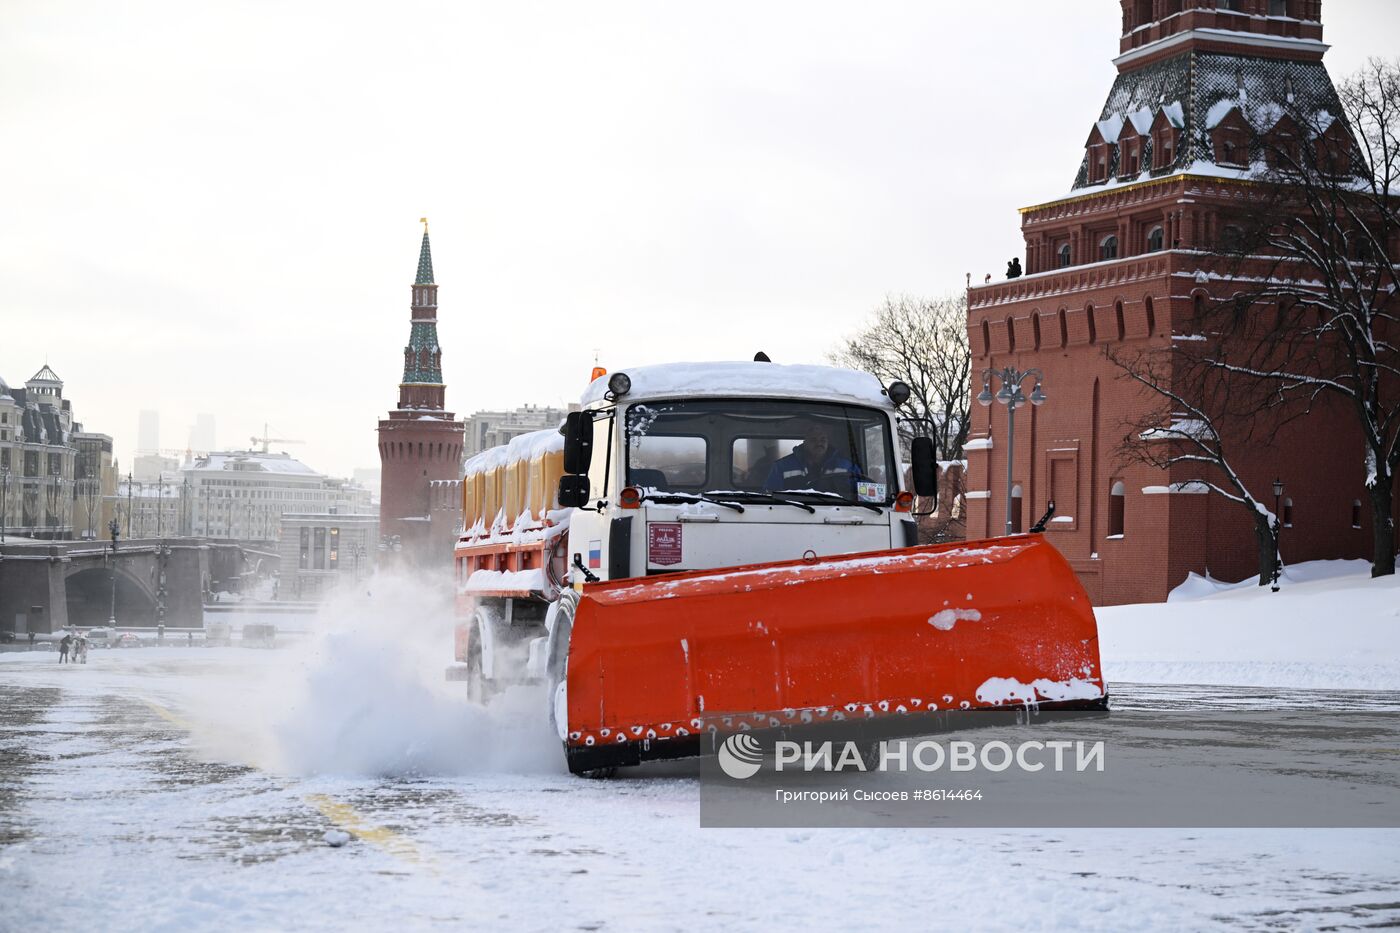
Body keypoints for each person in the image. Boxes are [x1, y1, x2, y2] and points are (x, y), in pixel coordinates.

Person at [764, 424, 860, 495]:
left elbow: (864, 494)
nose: (819, 443)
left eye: (823, 440)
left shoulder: (847, 467)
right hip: (793, 516)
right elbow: (771, 497)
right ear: (804, 442)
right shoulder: (782, 466)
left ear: (828, 442)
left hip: (838, 515)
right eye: (813, 440)